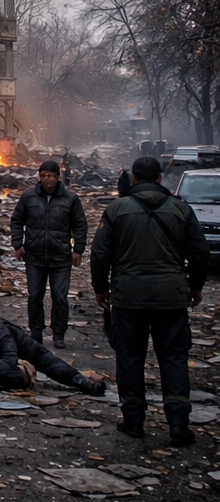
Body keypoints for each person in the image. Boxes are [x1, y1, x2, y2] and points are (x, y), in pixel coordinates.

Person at [90, 155, 209, 445]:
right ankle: (178, 422)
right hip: (171, 299)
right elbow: (199, 252)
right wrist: (195, 287)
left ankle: (133, 421)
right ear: (159, 178)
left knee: (130, 358)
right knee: (174, 359)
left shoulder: (117, 210)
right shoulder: (181, 209)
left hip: (129, 298)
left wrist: (101, 288)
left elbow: (100, 254)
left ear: (132, 178)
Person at [10, 159, 88, 348]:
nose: (47, 180)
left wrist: (78, 250)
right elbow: (17, 220)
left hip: (60, 257)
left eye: (51, 176)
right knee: (34, 296)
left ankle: (58, 334)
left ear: (57, 177)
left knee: (60, 298)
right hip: (34, 256)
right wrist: (17, 244)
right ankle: (36, 332)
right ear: (39, 176)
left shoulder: (70, 199)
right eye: (43, 176)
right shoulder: (29, 197)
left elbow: (80, 225)